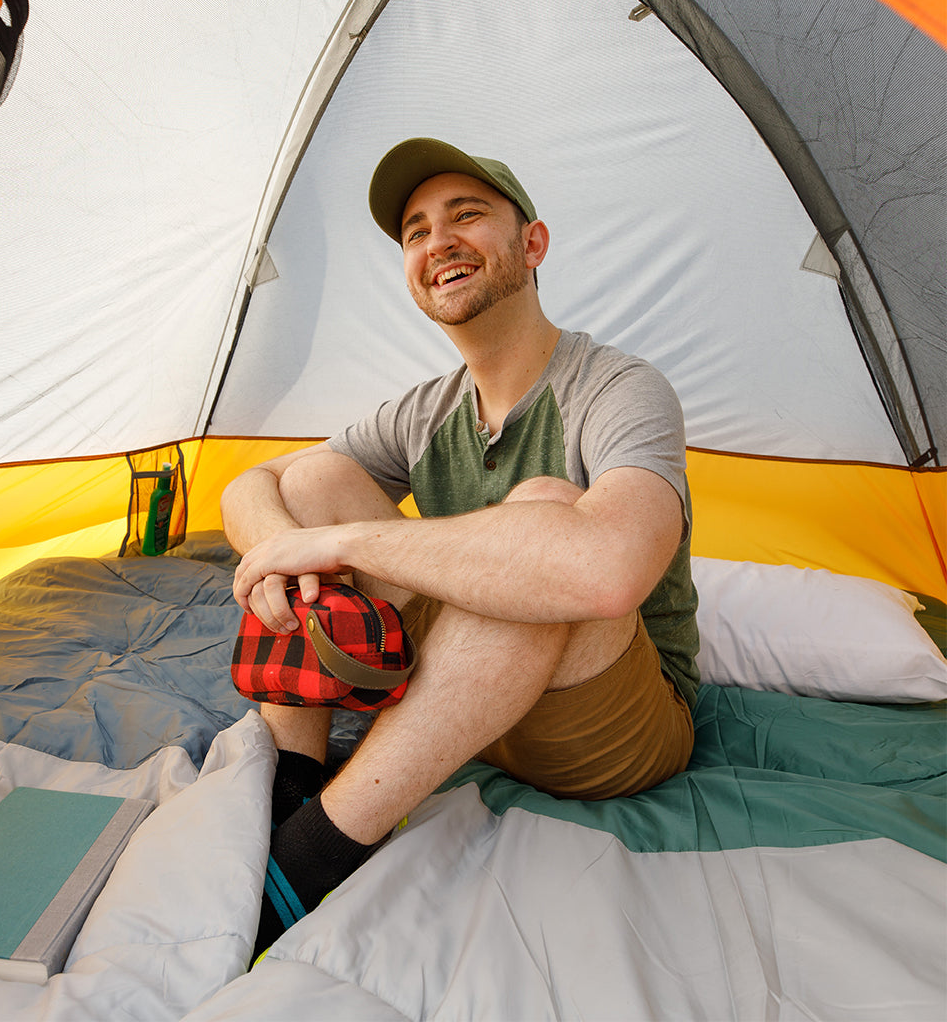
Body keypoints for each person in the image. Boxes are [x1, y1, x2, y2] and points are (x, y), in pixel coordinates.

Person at [221, 137, 699, 959]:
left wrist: (339, 542)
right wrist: (284, 547)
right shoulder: (427, 408)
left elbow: (607, 571)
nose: (437, 240)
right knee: (310, 485)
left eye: (466, 216)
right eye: (415, 231)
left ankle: (311, 858)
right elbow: (252, 486)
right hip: (469, 698)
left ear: (532, 244)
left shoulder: (620, 388)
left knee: (545, 520)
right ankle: (290, 788)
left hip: (612, 723)